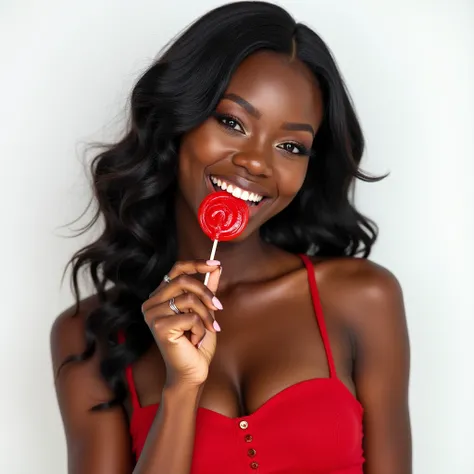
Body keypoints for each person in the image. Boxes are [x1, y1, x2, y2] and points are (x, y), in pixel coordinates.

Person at [51, 2, 412, 473]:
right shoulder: (89, 334)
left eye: (290, 146)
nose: (257, 162)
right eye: (232, 122)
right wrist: (181, 389)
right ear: (176, 120)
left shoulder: (363, 298)